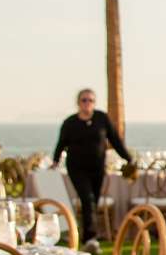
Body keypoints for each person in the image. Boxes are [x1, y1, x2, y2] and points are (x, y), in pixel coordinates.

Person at [55, 87, 129, 246]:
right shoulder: (70, 123)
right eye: (84, 100)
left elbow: (115, 140)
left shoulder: (102, 119)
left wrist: (129, 159)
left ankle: (85, 235)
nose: (87, 103)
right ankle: (91, 238)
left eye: (91, 100)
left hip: (97, 168)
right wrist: (55, 162)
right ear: (78, 103)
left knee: (93, 201)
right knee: (87, 199)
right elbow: (61, 144)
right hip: (77, 169)